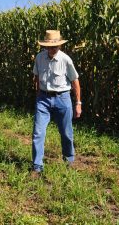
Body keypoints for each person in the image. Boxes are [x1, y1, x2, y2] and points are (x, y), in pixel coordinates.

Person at [31, 30, 82, 174]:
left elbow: (75, 82)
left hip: (63, 99)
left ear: (59, 46)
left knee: (66, 132)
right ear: (45, 46)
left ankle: (69, 160)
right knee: (38, 132)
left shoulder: (66, 60)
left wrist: (78, 103)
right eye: (49, 46)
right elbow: (36, 78)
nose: (52, 49)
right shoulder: (39, 58)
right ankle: (37, 166)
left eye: (55, 46)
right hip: (43, 99)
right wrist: (38, 96)